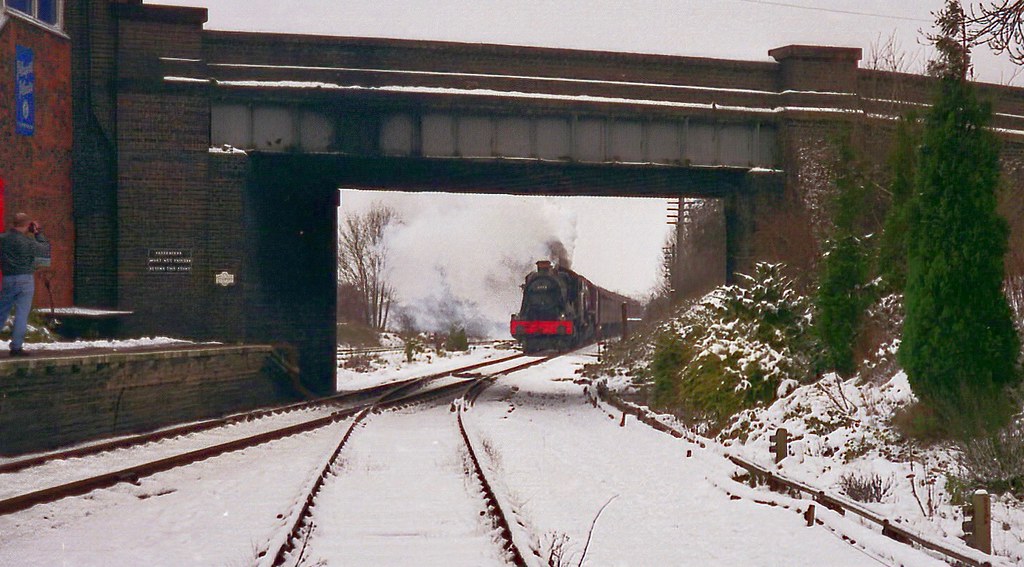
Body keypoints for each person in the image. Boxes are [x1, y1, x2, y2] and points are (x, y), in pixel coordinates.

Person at [0, 213, 51, 356]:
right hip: (25, 279)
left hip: (8, 278)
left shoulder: (3, 239)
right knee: (22, 314)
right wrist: (38, 233)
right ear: (28, 224)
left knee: (1, 311)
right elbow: (44, 249)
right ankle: (16, 347)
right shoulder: (28, 242)